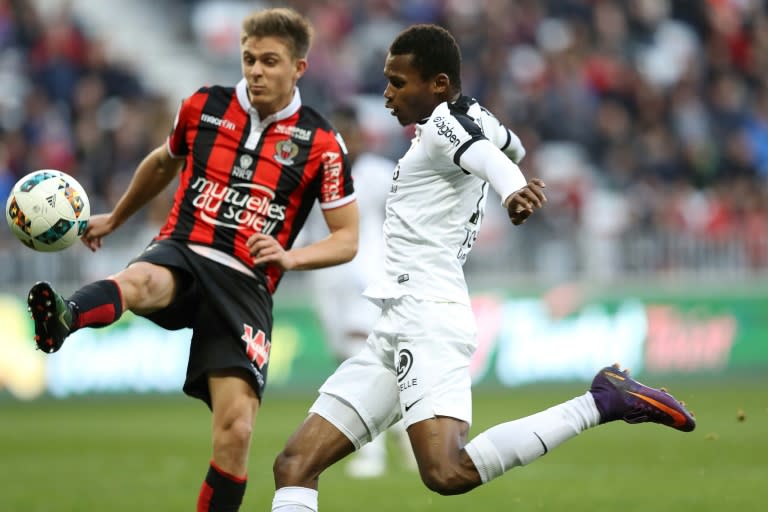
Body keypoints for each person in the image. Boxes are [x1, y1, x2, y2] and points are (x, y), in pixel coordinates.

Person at [269, 24, 696, 512]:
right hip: (396, 321)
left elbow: (490, 156)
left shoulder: (440, 126)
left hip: (427, 315)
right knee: (295, 464)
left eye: (399, 82)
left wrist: (512, 189)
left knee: (447, 471)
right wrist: (505, 167)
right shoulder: (465, 117)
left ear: (439, 86)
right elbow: (508, 143)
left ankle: (600, 401)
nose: (387, 93)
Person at [26, 8, 359, 512]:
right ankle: (64, 319)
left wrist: (291, 258)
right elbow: (163, 162)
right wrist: (116, 217)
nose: (256, 71)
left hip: (246, 282)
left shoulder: (321, 143)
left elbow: (348, 238)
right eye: (249, 59)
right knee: (140, 280)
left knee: (237, 430)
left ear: (299, 68)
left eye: (270, 61)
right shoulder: (204, 106)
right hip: (184, 247)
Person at [304, 105, 415, 478]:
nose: (344, 140)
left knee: (359, 357)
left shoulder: (378, 173)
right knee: (348, 358)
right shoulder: (316, 173)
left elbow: (410, 209)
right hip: (325, 277)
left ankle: (372, 451)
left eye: (349, 132)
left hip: (364, 273)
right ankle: (406, 430)